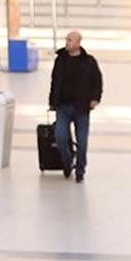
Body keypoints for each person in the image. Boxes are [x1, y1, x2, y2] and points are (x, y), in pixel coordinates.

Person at [48, 30, 103, 183]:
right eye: (66, 40)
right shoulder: (60, 60)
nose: (67, 42)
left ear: (78, 43)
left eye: (70, 40)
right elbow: (54, 81)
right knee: (60, 136)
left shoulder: (89, 61)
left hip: (82, 107)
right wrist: (52, 101)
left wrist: (95, 99)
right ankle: (67, 162)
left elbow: (97, 81)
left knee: (82, 141)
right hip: (63, 106)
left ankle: (80, 170)